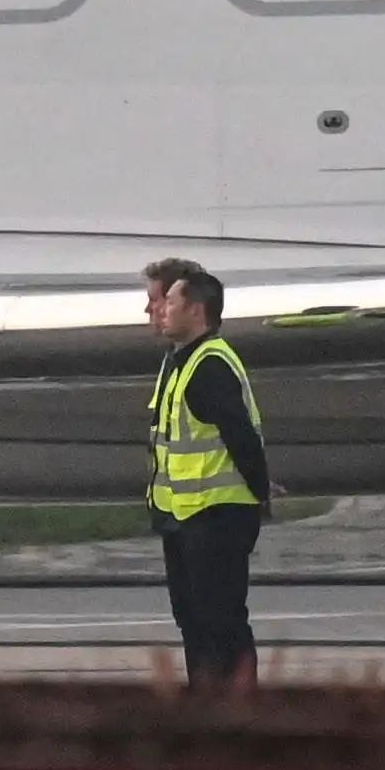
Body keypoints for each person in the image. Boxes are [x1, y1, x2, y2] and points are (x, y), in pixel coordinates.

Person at [140, 257, 267, 688]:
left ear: (194, 309)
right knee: (196, 623)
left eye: (164, 302)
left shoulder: (207, 364)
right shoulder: (179, 361)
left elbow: (240, 436)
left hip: (213, 515)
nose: (154, 312)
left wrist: (260, 492)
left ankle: (237, 711)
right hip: (186, 515)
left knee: (220, 622)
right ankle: (208, 704)